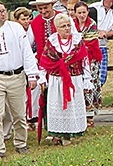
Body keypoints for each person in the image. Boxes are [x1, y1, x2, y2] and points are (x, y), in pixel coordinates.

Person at [0, 0, 38, 159]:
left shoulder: (16, 28)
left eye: (4, 10)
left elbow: (26, 52)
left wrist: (31, 74)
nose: (3, 14)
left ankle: (20, 143)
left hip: (16, 76)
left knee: (19, 114)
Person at [38, 13, 91, 145]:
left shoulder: (77, 41)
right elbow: (45, 61)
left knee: (71, 106)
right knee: (58, 107)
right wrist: (42, 77)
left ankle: (70, 133)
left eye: (68, 25)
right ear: (57, 28)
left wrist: (87, 79)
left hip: (74, 79)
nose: (66, 28)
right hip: (57, 81)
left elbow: (84, 60)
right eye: (63, 26)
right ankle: (58, 134)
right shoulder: (52, 42)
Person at [73, 1, 102, 127]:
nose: (82, 15)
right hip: (77, 60)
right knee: (79, 86)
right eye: (79, 12)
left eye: (84, 12)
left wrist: (79, 43)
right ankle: (81, 113)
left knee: (91, 85)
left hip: (91, 59)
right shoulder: (72, 25)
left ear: (87, 12)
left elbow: (90, 42)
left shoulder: (92, 24)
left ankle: (90, 115)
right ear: (75, 13)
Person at [13, 7, 38, 129]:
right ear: (16, 20)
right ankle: (23, 119)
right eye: (23, 19)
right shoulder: (14, 32)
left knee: (32, 92)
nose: (26, 22)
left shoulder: (32, 30)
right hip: (18, 65)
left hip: (31, 62)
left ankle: (31, 117)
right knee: (21, 94)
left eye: (28, 19)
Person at [89, 0, 113, 85]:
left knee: (102, 76)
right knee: (91, 74)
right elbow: (86, 23)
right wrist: (98, 31)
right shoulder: (93, 7)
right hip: (91, 45)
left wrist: (107, 34)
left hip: (103, 46)